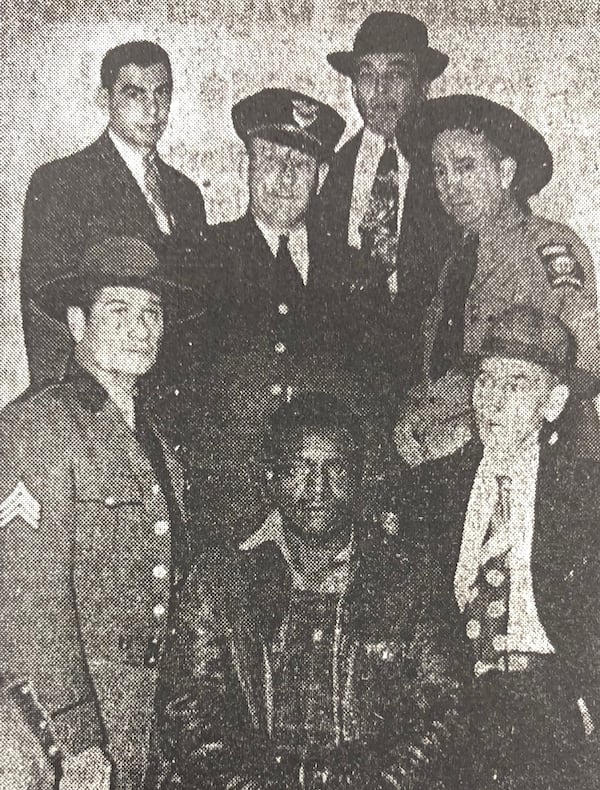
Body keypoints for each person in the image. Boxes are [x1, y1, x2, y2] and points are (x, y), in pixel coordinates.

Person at [160, 393, 462, 790]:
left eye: (336, 468)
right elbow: (190, 712)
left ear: (359, 479)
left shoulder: (410, 580)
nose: (318, 485)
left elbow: (444, 710)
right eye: (301, 467)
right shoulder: (220, 582)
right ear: (272, 479)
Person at [0, 236, 190, 790]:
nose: (139, 329)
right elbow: (29, 602)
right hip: (75, 726)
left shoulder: (159, 443)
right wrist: (78, 735)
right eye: (118, 311)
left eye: (151, 313)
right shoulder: (38, 428)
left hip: (146, 721)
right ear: (78, 322)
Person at [394, 306, 600, 790]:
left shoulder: (584, 497)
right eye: (484, 380)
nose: (491, 399)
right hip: (448, 705)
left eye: (515, 384)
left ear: (552, 403)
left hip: (545, 709)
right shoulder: (433, 488)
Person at [172, 88, 368, 535]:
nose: (283, 178)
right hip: (227, 514)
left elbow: (373, 400)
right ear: (248, 166)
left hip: (330, 523)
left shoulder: (358, 275)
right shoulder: (199, 262)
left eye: (299, 165)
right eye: (270, 160)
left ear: (320, 175)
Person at [394, 94, 600, 464]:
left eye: (465, 166)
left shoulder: (547, 249)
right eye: (439, 171)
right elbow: (443, 369)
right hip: (451, 462)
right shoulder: (455, 265)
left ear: (505, 173)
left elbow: (581, 368)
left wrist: (471, 430)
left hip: (538, 464)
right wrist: (413, 418)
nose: (449, 186)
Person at [21, 40, 208, 385]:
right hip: (97, 408)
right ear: (104, 99)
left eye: (161, 93)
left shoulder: (187, 195)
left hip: (173, 408)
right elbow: (44, 316)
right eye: (134, 94)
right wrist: (66, 414)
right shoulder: (61, 182)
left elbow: (193, 316)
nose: (152, 110)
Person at [314, 12, 457, 388]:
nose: (380, 91)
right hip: (347, 376)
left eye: (396, 74)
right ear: (353, 87)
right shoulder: (331, 169)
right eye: (366, 75)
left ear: (423, 84)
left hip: (429, 377)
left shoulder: (447, 171)